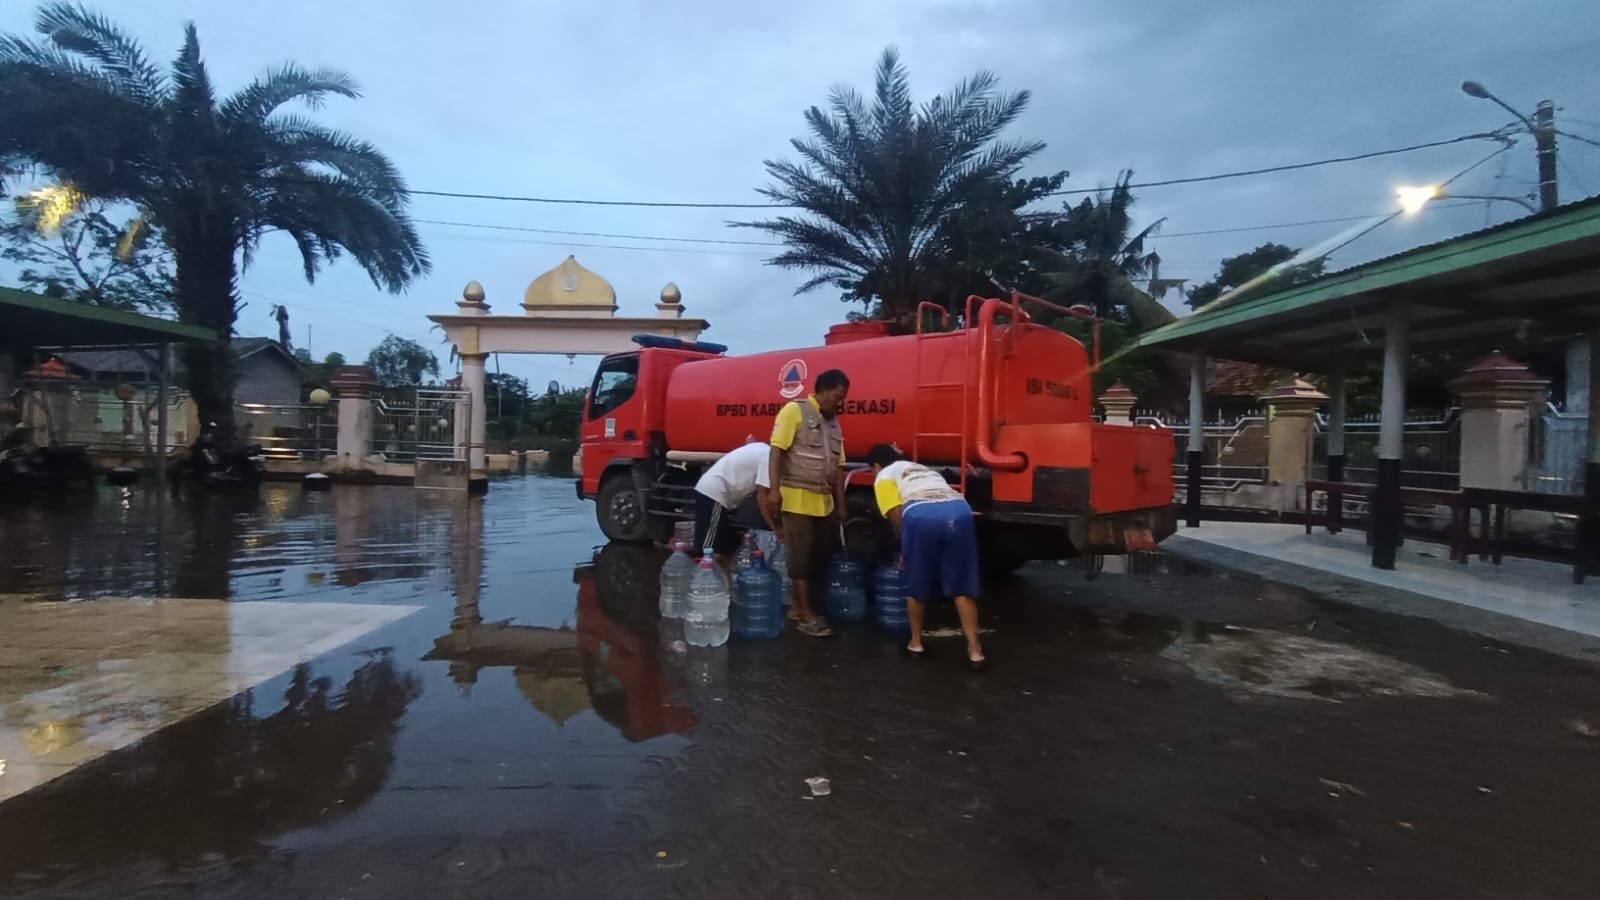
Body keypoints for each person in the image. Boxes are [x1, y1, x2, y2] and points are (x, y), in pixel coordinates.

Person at [867, 443, 986, 670]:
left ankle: (916, 644)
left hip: (921, 514)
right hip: (959, 511)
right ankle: (975, 651)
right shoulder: (921, 468)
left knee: (917, 582)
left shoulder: (883, 476)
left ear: (875, 465)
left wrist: (907, 550)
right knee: (962, 585)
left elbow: (896, 516)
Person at [765, 369, 850, 638]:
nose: (840, 403)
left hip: (823, 501)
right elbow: (776, 450)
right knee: (800, 557)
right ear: (822, 391)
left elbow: (838, 466)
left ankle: (798, 606)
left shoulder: (834, 422)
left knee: (818, 556)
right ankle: (804, 613)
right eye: (837, 396)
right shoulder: (794, 411)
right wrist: (774, 491)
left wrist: (841, 503)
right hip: (796, 497)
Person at [693, 439, 778, 573]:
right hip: (715, 493)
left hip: (721, 495)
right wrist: (774, 526)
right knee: (713, 550)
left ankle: (728, 587)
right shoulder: (768, 457)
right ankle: (712, 587)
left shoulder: (762, 448)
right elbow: (763, 495)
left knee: (728, 549)